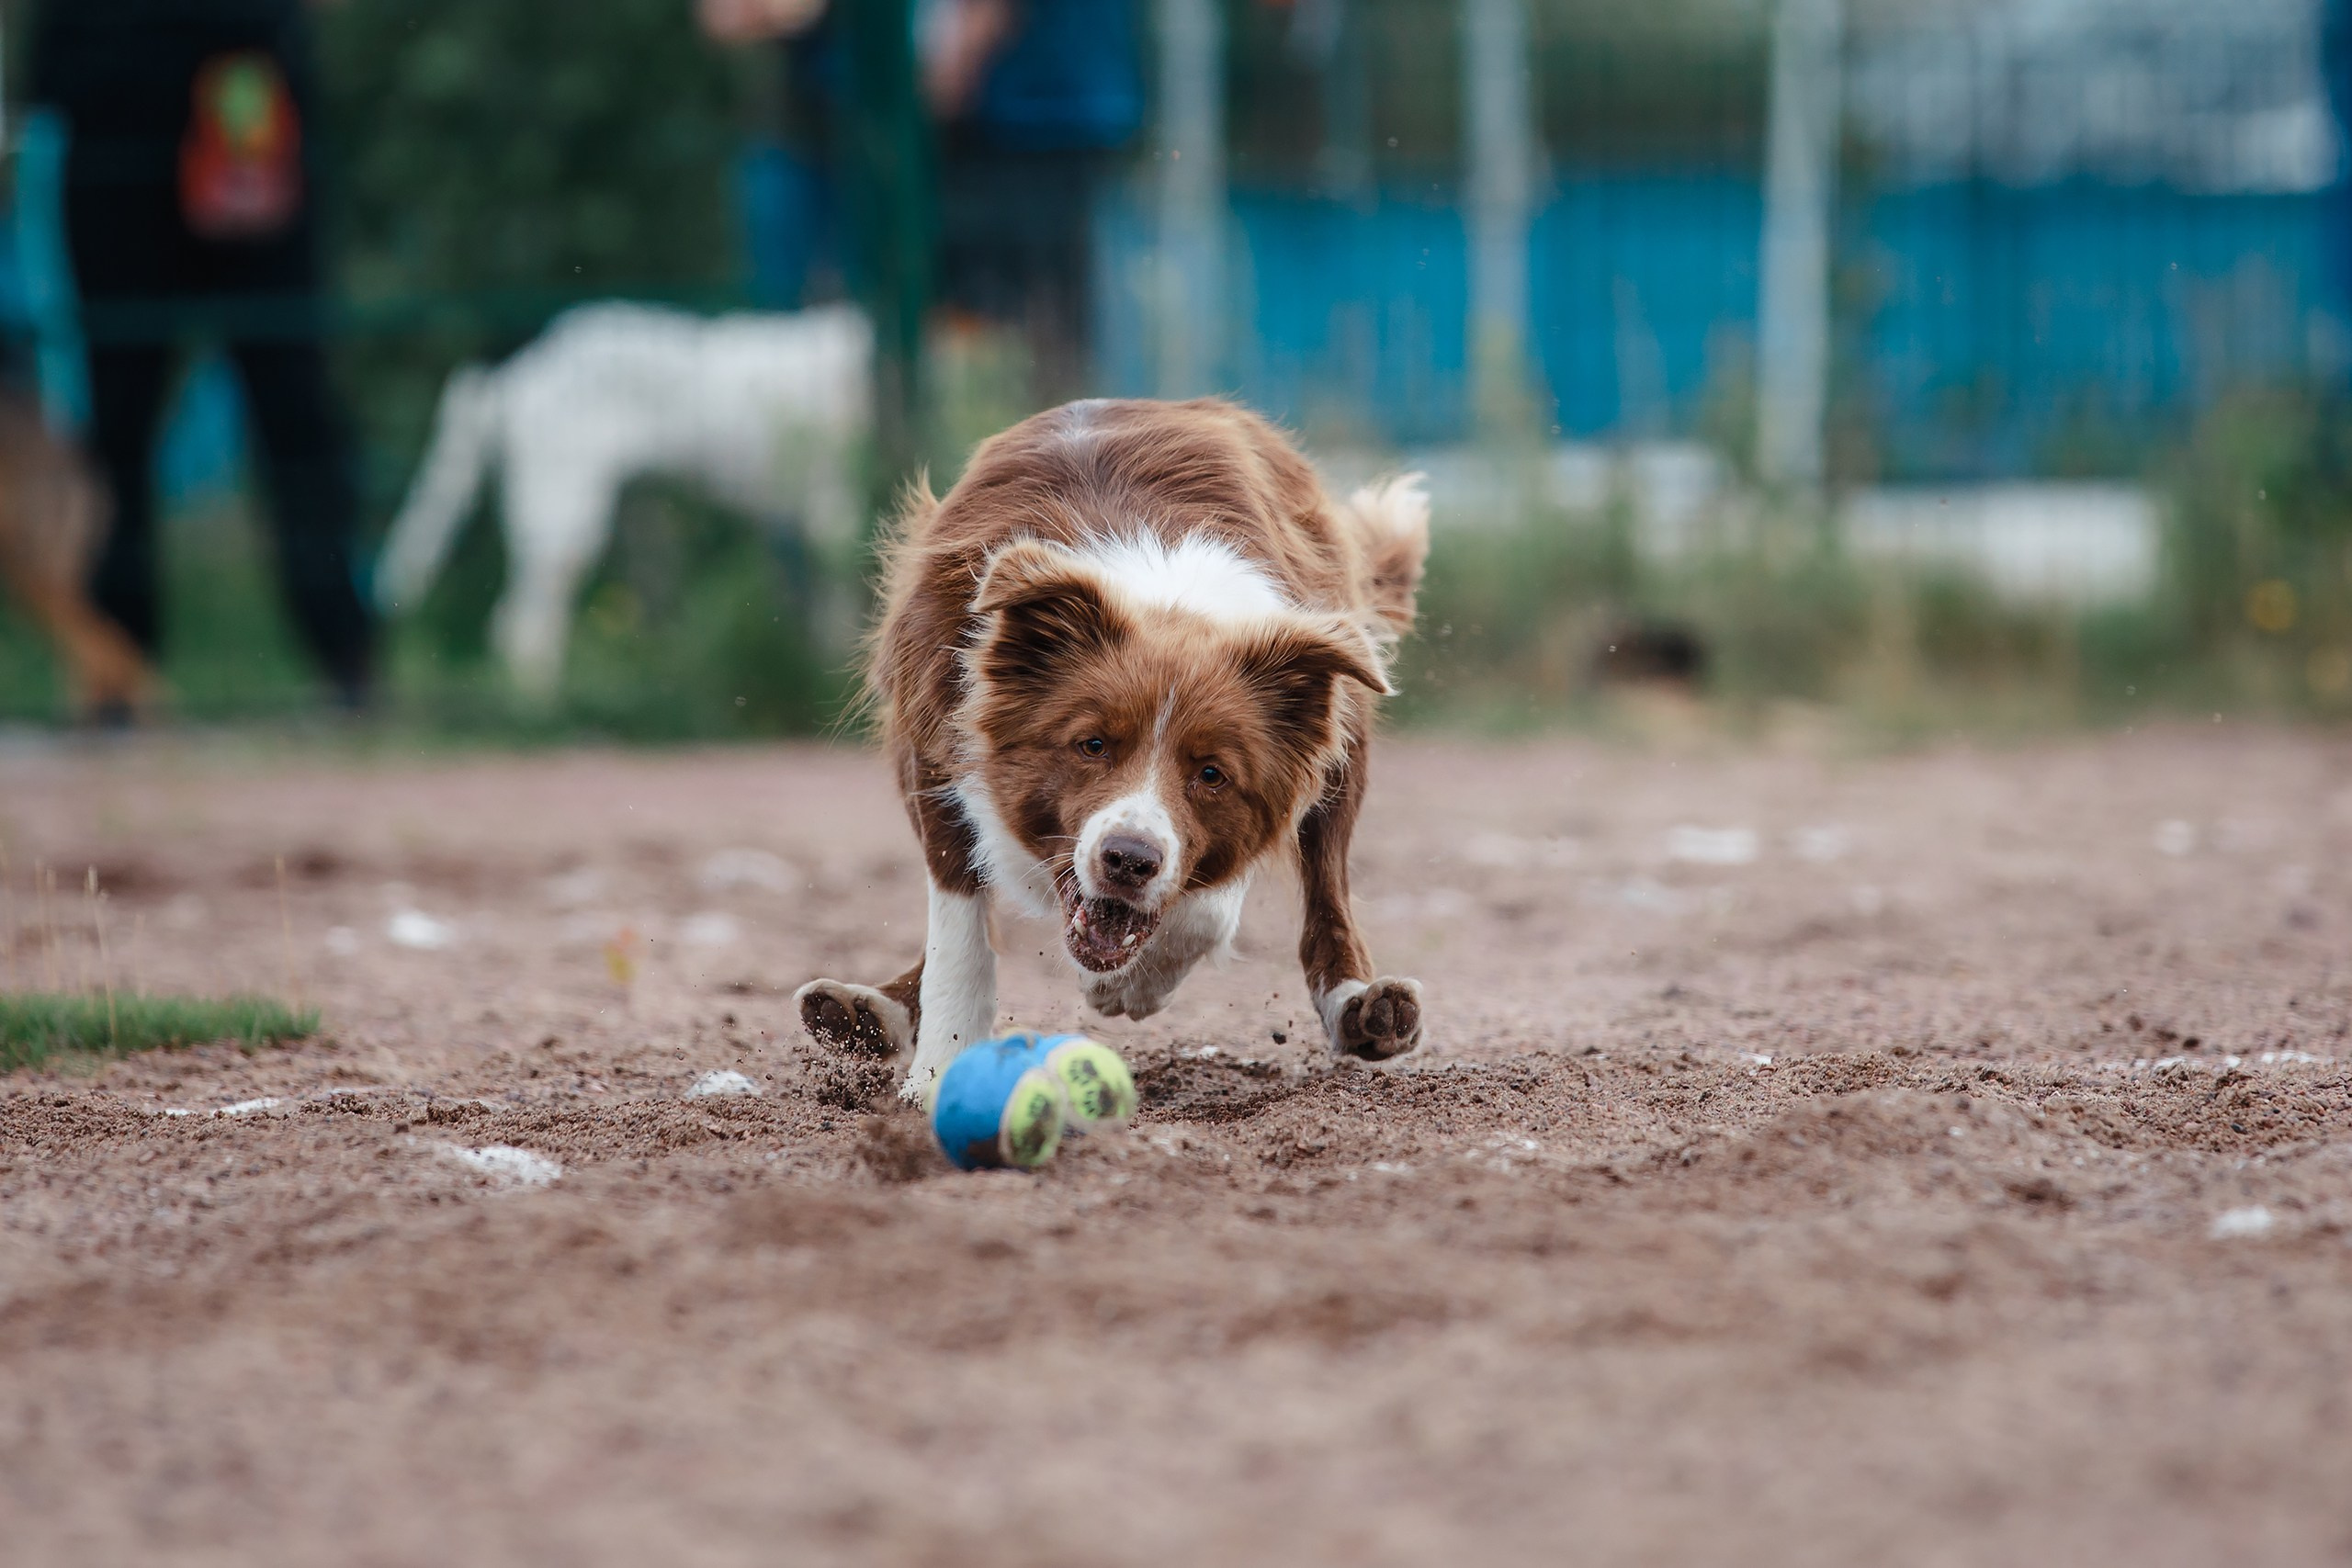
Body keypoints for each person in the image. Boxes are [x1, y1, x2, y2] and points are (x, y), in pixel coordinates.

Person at [30, 0, 374, 711]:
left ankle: (348, 664)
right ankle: (117, 676)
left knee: (292, 399)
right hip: (113, 106)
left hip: (244, 93)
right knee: (118, 406)